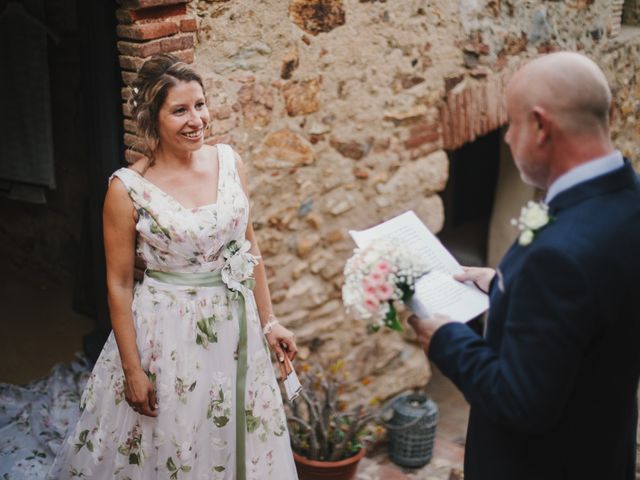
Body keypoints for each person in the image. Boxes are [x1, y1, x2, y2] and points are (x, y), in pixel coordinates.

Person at [48, 54, 299, 479]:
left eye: (199, 105)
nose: (196, 119)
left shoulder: (229, 162)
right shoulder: (127, 189)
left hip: (235, 333)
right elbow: (120, 283)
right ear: (153, 117)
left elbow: (248, 246)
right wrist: (132, 369)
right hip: (167, 338)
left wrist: (269, 321)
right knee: (176, 442)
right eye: (179, 110)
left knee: (234, 440)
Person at [408, 52, 640, 480]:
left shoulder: (559, 255)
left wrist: (445, 338)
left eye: (511, 125)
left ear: (539, 125)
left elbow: (520, 402)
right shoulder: (628, 200)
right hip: (604, 452)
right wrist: (503, 285)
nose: (508, 139)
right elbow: (592, 313)